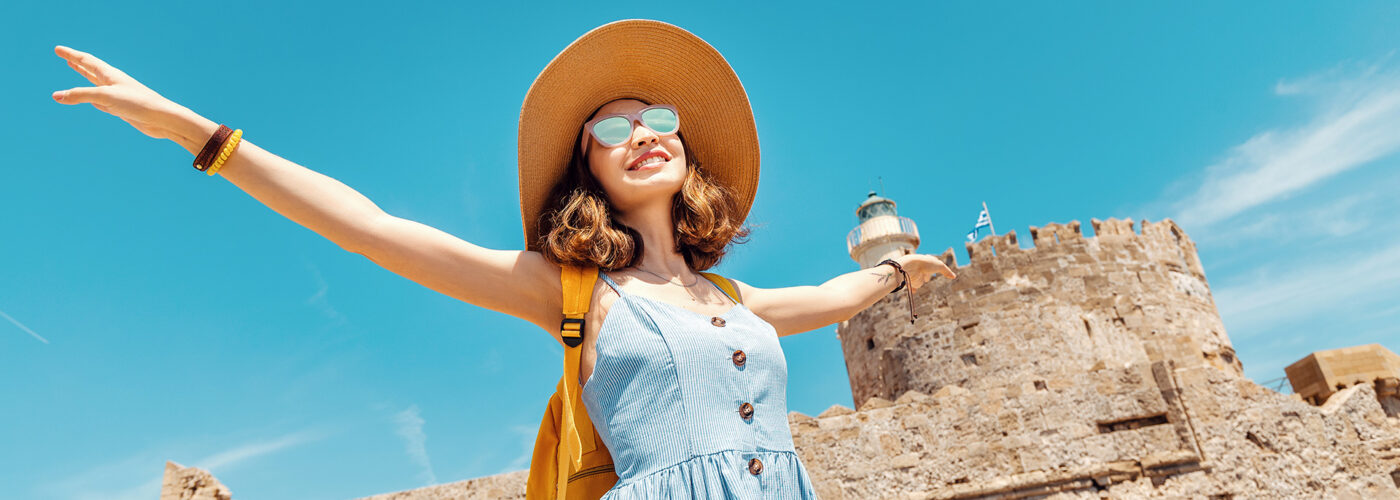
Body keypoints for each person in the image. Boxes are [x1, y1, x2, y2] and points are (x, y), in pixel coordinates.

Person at [51, 19, 955, 499]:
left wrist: (896, 272)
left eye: (659, 119)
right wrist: (199, 135)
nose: (642, 133)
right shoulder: (574, 295)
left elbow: (835, 293)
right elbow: (370, 228)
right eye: (612, 127)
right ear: (586, 171)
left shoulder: (735, 298)